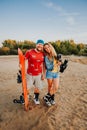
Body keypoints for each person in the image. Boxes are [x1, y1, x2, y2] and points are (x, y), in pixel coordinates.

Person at [25, 39, 45, 105]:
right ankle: (26, 96)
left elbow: (44, 65)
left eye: (41, 45)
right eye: (39, 44)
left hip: (38, 74)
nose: (40, 46)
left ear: (43, 46)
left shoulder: (43, 54)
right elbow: (23, 61)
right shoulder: (29, 52)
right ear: (36, 44)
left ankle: (35, 97)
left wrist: (43, 74)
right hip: (29, 74)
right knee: (27, 87)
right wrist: (21, 69)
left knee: (37, 87)